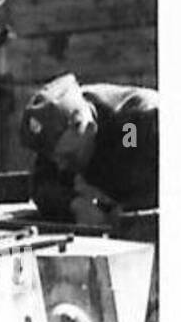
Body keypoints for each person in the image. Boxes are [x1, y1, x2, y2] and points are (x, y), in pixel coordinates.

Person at [19, 73, 158, 226]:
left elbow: (138, 166)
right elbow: (42, 185)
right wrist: (76, 205)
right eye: (55, 158)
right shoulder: (59, 130)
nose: (61, 166)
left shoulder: (132, 126)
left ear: (89, 128)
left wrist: (123, 212)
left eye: (69, 157)